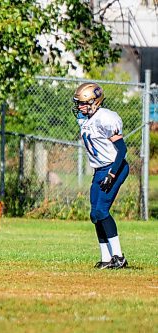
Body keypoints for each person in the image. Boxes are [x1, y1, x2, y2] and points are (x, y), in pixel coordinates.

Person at [73, 82, 129, 269]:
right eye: (78, 103)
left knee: (101, 211)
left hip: (114, 167)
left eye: (83, 103)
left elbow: (122, 150)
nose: (79, 107)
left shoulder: (106, 118)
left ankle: (119, 257)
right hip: (99, 170)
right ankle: (106, 258)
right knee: (94, 215)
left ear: (95, 102)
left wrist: (112, 174)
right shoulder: (85, 118)